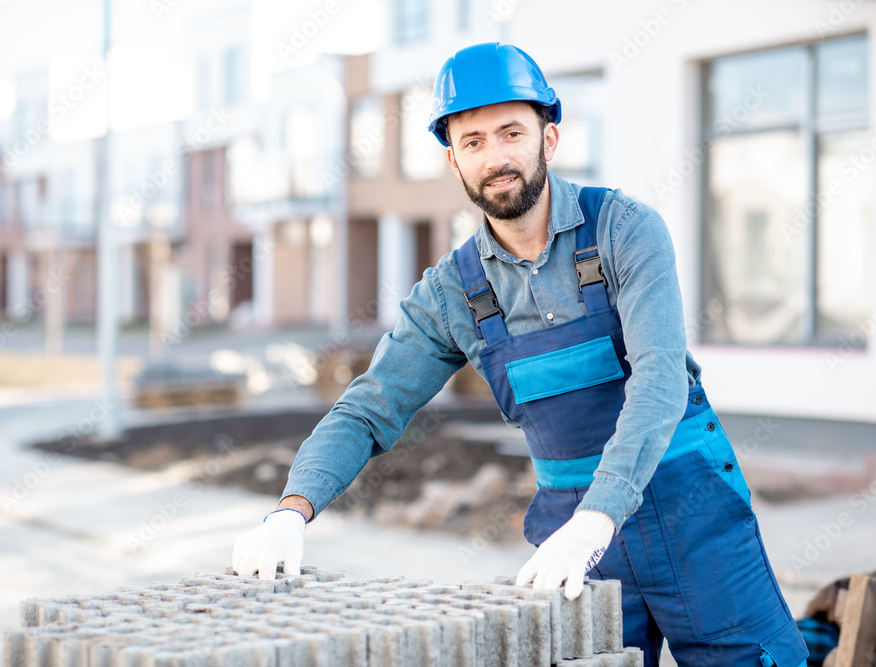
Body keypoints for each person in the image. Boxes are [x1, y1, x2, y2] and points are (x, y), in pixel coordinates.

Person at [233, 42, 810, 666]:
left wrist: (600, 517)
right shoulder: (454, 292)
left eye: (511, 132)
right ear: (453, 160)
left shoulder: (624, 230)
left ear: (549, 139)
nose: (495, 157)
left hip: (689, 512)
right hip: (572, 536)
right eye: (473, 141)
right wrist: (291, 511)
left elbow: (660, 378)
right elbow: (368, 410)